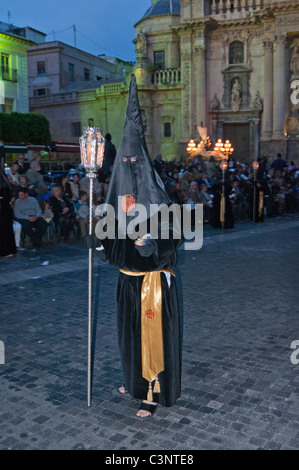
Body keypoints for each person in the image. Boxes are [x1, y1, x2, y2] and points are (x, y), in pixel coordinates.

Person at [92, 75, 183, 418]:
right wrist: (99, 238)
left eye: (134, 161)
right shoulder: (118, 198)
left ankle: (151, 393)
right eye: (124, 162)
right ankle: (133, 381)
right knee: (129, 336)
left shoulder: (158, 197)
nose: (128, 166)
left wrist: (154, 244)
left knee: (151, 340)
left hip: (151, 286)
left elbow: (176, 235)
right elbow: (113, 239)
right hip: (126, 280)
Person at [0, 166, 17, 257]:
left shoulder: (3, 177)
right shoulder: (4, 177)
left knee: (4, 229)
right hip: (4, 205)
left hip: (3, 207)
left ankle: (6, 250)